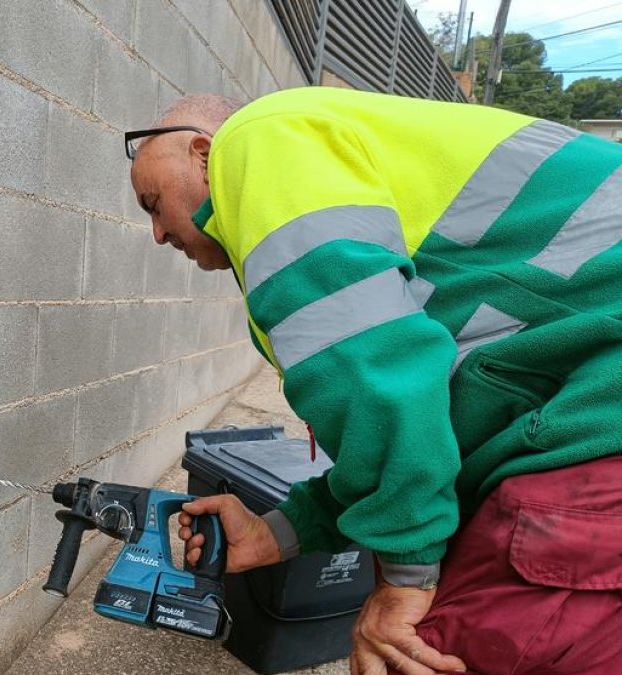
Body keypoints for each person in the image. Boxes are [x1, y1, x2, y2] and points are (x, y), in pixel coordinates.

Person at [127, 87, 622, 675]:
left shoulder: (264, 137)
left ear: (205, 154)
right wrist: (279, 531)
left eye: (153, 202)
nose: (156, 233)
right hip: (588, 419)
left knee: (413, 649)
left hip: (597, 434)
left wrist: (406, 576)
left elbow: (372, 375)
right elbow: (429, 424)